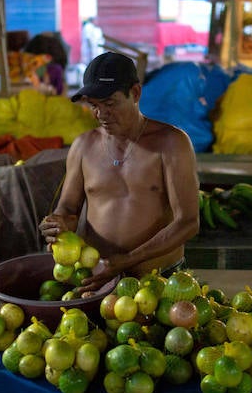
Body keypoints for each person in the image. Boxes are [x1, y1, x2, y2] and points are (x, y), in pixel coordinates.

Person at [38, 51, 201, 294]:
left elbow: (188, 222)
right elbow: (69, 210)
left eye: (110, 103)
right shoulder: (83, 146)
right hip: (95, 278)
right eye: (94, 105)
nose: (101, 114)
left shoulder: (171, 143)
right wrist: (58, 223)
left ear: (135, 93)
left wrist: (130, 259)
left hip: (159, 281)